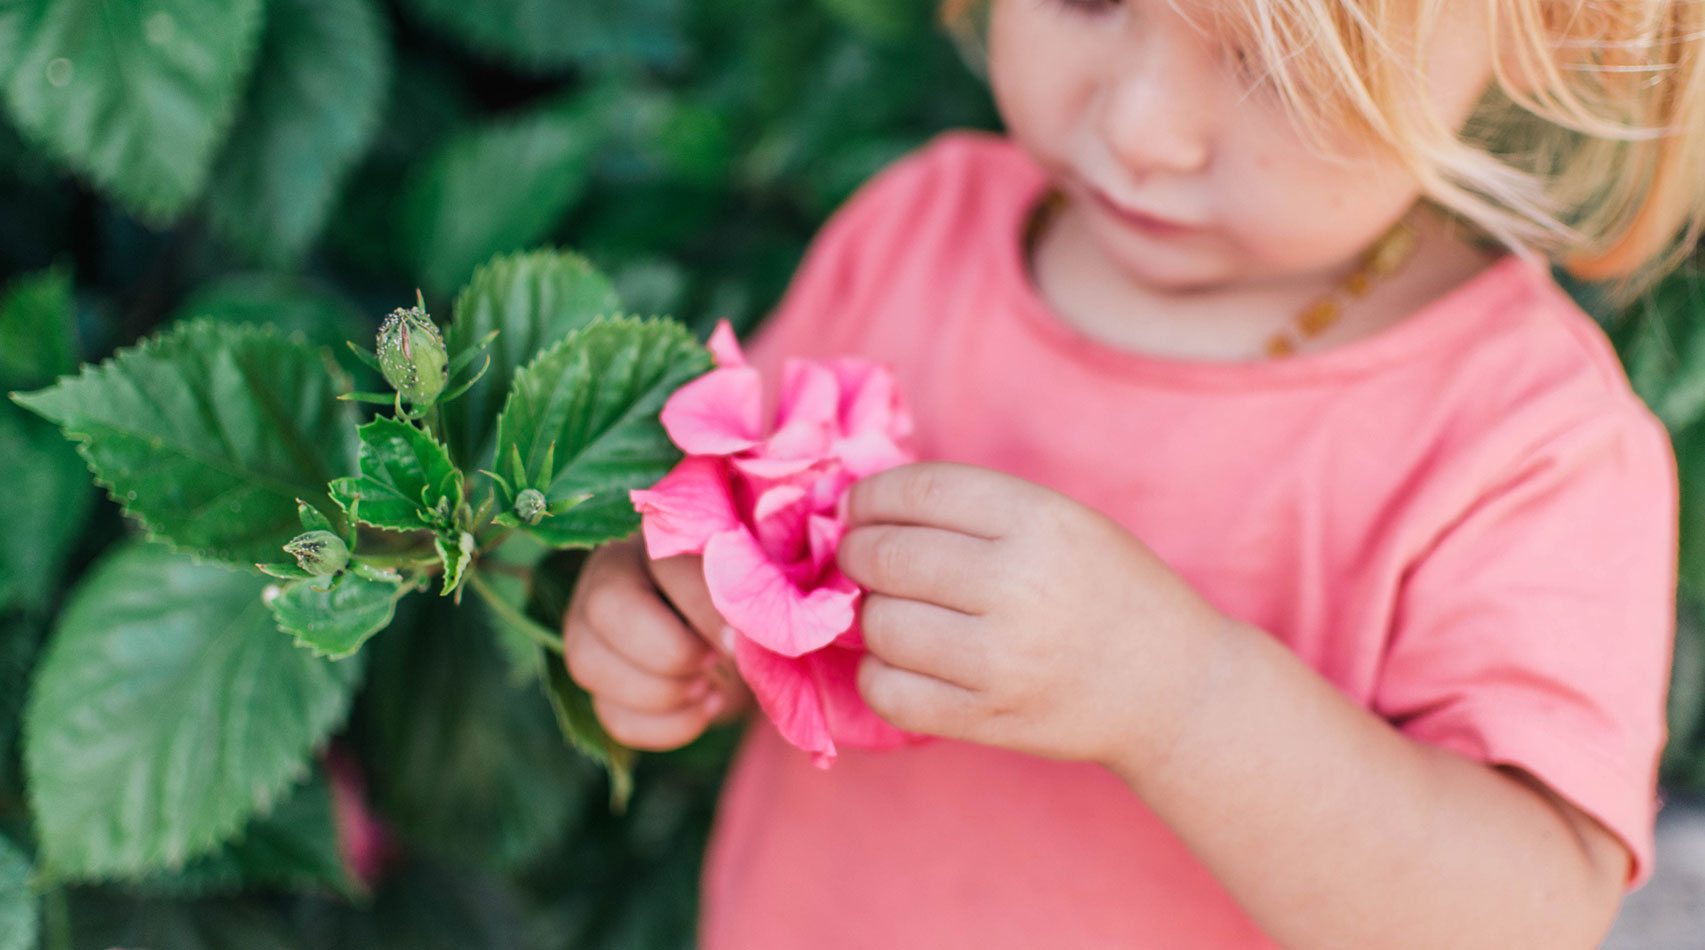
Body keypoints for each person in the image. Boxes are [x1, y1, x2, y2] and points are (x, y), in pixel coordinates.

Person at [561, 0, 1705, 945]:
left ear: (1554, 25)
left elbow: (1523, 913)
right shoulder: (916, 228)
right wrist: (657, 609)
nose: (1143, 127)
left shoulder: (1522, 439)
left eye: (1277, 64)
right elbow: (724, 540)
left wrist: (1179, 698)